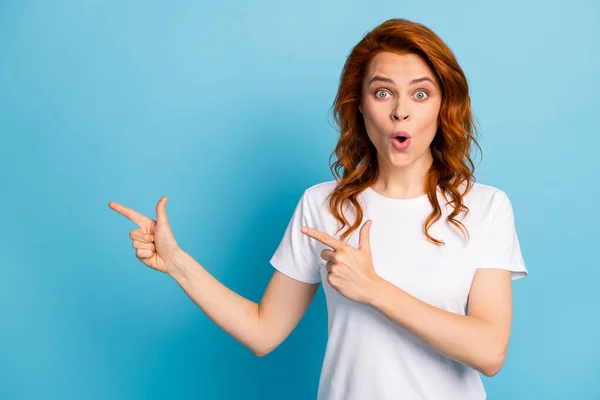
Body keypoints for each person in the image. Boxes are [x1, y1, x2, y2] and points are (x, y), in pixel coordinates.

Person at [108, 18, 528, 400]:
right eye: (383, 92)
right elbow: (262, 331)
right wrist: (177, 261)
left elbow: (490, 351)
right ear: (360, 105)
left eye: (420, 93)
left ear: (443, 105)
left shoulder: (484, 206)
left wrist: (375, 290)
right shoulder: (323, 205)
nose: (401, 111)